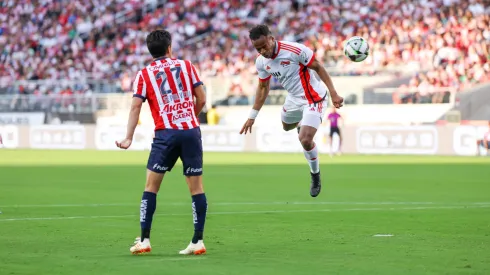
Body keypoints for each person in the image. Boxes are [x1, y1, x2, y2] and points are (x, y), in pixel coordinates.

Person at [116, 30, 208, 255]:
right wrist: (190, 119)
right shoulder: (187, 66)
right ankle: (198, 241)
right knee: (196, 189)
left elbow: (136, 106)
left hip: (165, 134)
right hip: (190, 132)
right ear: (170, 48)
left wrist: (128, 136)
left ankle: (145, 240)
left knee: (151, 187)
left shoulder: (144, 74)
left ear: (150, 51)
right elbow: (202, 98)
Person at [240, 24, 344, 197]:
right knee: (286, 126)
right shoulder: (261, 62)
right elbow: (263, 87)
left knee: (305, 139)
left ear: (272, 39)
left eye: (264, 46)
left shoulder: (294, 50)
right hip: (293, 99)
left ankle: (315, 175)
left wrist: (333, 93)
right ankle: (303, 124)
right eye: (258, 49)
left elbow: (318, 67)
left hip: (313, 98)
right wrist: (252, 116)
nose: (262, 51)